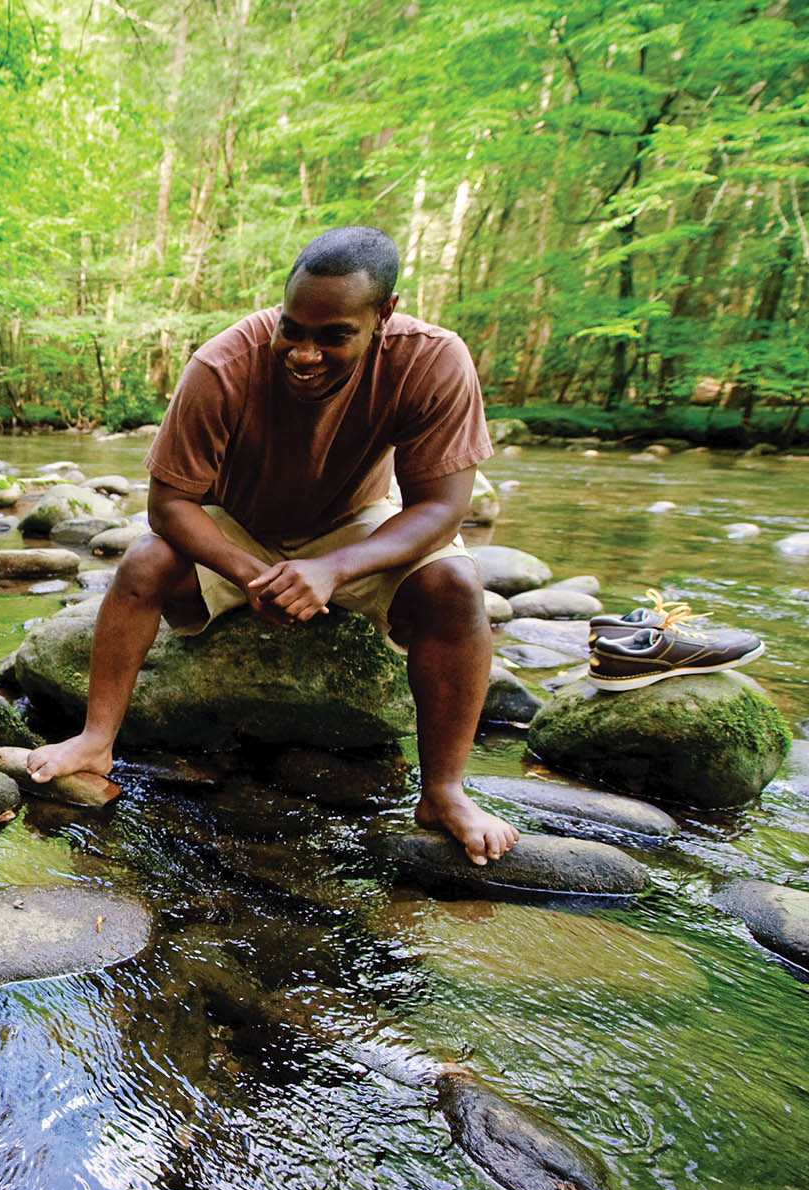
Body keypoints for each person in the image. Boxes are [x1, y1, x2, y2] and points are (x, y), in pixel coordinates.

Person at [28, 226, 518, 866]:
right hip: (237, 523)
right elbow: (169, 506)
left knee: (455, 586)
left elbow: (442, 507)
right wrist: (258, 574)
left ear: (384, 315)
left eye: (333, 335)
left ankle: (443, 790)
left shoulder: (432, 361)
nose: (304, 352)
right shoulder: (222, 365)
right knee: (143, 561)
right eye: (293, 328)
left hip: (356, 524)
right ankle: (97, 739)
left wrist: (331, 568)